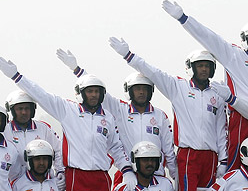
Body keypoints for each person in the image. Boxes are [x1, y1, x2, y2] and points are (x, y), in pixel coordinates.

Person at [109, 37, 229, 191]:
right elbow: (153, 72)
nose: (204, 70)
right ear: (192, 68)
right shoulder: (178, 87)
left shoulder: (217, 94)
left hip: (212, 157)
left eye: (208, 66)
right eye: (200, 66)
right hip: (189, 154)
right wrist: (128, 55)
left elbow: (221, 129)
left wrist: (223, 161)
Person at [0, 57, 129, 191]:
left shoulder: (108, 117)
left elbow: (116, 147)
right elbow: (41, 95)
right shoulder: (68, 110)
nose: (93, 95)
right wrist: (16, 76)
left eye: (97, 91)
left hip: (101, 176)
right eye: (89, 91)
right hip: (77, 176)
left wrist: (127, 170)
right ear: (81, 93)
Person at [160, 0, 248, 176]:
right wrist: (183, 18)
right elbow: (207, 36)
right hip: (242, 117)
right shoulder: (233, 55)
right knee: (238, 165)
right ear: (246, 40)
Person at [55, 49, 179, 182]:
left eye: (145, 89)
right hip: (127, 175)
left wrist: (175, 175)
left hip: (156, 175)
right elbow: (93, 86)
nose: (141, 92)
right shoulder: (120, 109)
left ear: (151, 91)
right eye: (137, 89)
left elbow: (168, 150)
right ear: (129, 91)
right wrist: (76, 69)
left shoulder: (160, 116)